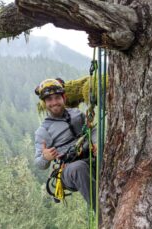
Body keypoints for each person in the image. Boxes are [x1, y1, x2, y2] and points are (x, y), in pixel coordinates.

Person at [34, 78, 97, 211]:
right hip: (69, 171)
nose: (54, 102)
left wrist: (96, 143)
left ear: (64, 98)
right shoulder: (44, 131)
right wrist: (46, 157)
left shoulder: (77, 114)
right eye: (49, 100)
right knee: (78, 168)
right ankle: (103, 214)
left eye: (57, 97)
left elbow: (92, 130)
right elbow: (39, 163)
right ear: (45, 103)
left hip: (91, 160)